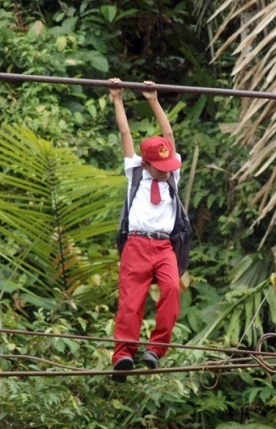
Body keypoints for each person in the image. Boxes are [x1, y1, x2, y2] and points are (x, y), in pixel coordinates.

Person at [109, 78, 182, 382]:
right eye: (160, 169)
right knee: (131, 300)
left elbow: (168, 134)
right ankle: (123, 355)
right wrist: (117, 98)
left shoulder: (172, 173)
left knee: (172, 290)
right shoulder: (136, 171)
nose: (166, 173)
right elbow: (125, 132)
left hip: (163, 246)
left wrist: (153, 99)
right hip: (137, 245)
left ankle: (156, 350)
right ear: (148, 164)